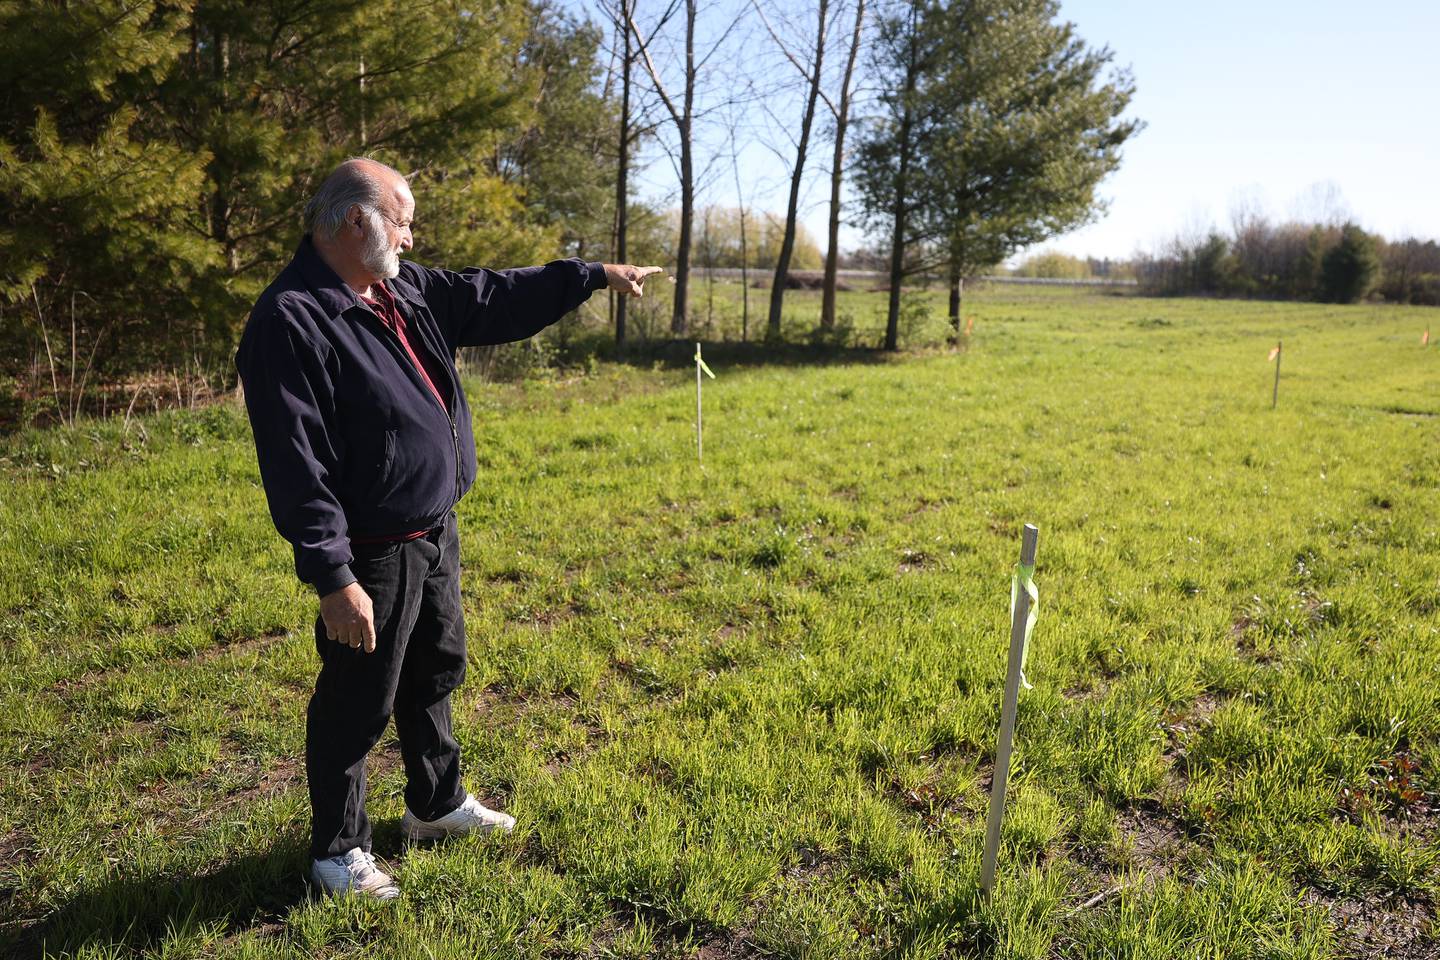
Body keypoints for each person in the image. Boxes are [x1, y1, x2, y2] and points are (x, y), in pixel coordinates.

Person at [235, 157, 660, 900]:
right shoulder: (293, 318)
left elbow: (492, 293)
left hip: (432, 529)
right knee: (358, 698)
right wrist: (335, 578)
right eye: (400, 218)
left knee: (435, 670)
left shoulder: (402, 288)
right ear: (355, 221)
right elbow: (296, 464)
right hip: (371, 549)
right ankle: (338, 852)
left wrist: (590, 274)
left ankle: (434, 804)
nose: (410, 232)